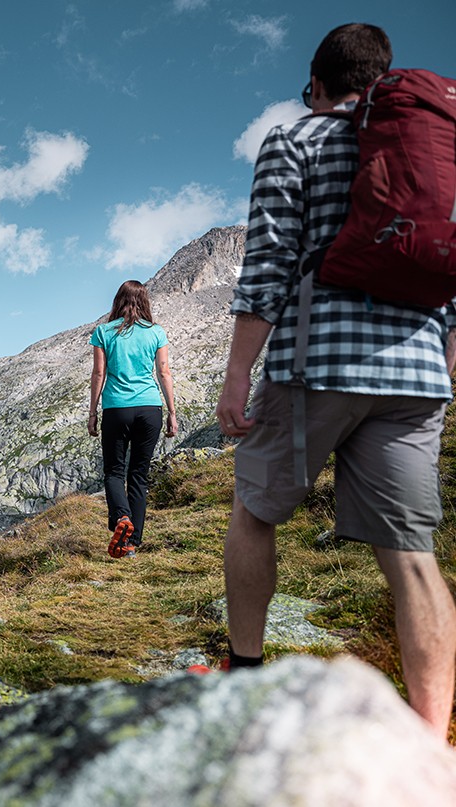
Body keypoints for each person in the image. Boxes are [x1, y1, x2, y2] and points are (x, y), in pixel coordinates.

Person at [215, 23, 456, 739]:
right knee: (414, 556)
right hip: (415, 375)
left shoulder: (296, 140)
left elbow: (268, 262)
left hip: (315, 362)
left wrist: (236, 373)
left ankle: (244, 681)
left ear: (317, 85)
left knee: (255, 511)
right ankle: (432, 741)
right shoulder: (436, 149)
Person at [89, 280, 178, 558]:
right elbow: (164, 373)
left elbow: (98, 374)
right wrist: (172, 413)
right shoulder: (156, 333)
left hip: (117, 409)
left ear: (117, 300)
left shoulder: (103, 332)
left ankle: (122, 519)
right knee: (139, 474)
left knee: (114, 471)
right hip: (150, 408)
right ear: (145, 301)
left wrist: (92, 412)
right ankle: (131, 544)